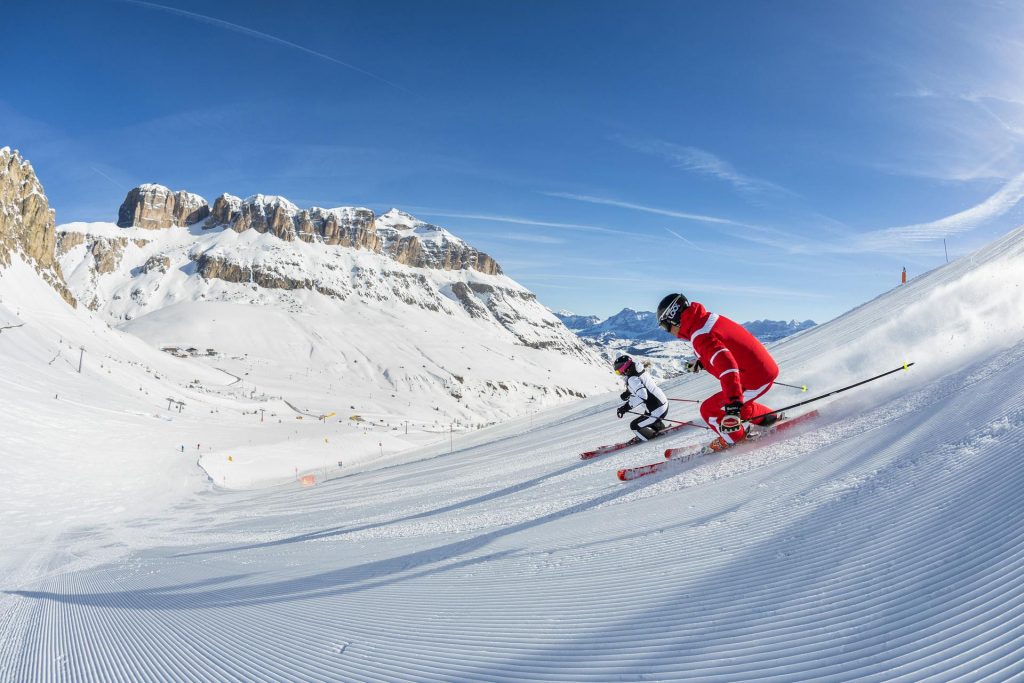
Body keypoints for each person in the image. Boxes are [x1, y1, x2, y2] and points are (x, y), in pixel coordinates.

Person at [656, 293, 779, 451]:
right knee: (743, 407)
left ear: (673, 317)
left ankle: (735, 440)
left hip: (755, 378)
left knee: (709, 409)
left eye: (665, 327)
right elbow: (726, 346)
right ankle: (770, 419)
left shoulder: (700, 335)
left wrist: (733, 405)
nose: (668, 332)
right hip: (761, 369)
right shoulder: (706, 320)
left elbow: (728, 366)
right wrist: (703, 361)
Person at [613, 354, 669, 442]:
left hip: (657, 410)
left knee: (634, 426)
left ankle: (647, 440)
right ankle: (661, 429)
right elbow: (641, 386)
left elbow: (643, 395)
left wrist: (625, 408)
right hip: (661, 404)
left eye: (618, 371)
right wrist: (627, 393)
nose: (619, 374)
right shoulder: (638, 371)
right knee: (647, 417)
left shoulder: (632, 378)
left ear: (624, 368)